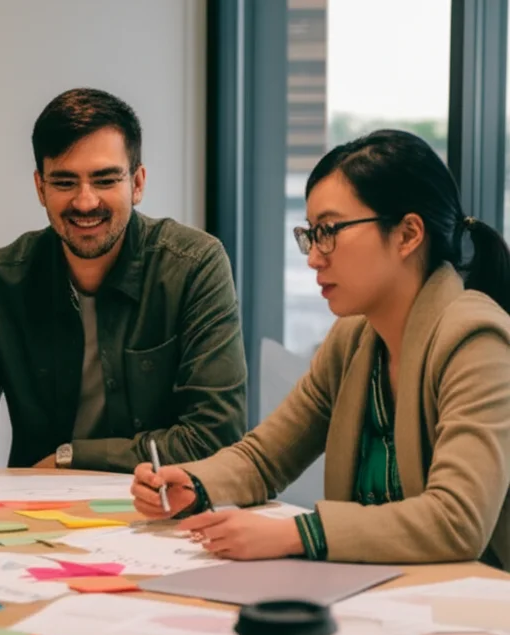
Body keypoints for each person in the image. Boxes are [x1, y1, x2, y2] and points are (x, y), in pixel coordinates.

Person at [132, 129, 510, 572]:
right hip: (383, 592)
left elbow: (456, 520)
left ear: (408, 234)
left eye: (329, 231)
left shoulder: (476, 341)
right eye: (310, 234)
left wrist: (295, 534)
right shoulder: (352, 338)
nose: (313, 256)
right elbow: (264, 457)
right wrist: (196, 483)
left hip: (473, 607)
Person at [0, 88, 247, 481]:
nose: (85, 202)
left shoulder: (195, 266)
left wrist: (71, 457)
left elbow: (217, 434)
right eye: (65, 182)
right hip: (35, 516)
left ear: (137, 183)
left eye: (104, 179)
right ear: (40, 187)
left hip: (159, 510)